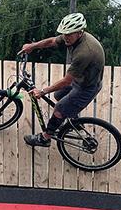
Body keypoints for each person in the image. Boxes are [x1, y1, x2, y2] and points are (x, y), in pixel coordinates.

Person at [20, 12, 105, 148]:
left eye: (69, 34)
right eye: (64, 33)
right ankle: (75, 122)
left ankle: (45, 138)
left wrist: (42, 91)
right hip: (80, 80)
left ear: (79, 32)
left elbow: (66, 81)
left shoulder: (84, 52)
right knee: (58, 95)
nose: (65, 37)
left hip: (87, 87)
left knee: (59, 110)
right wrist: (33, 46)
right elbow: (53, 41)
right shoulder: (72, 36)